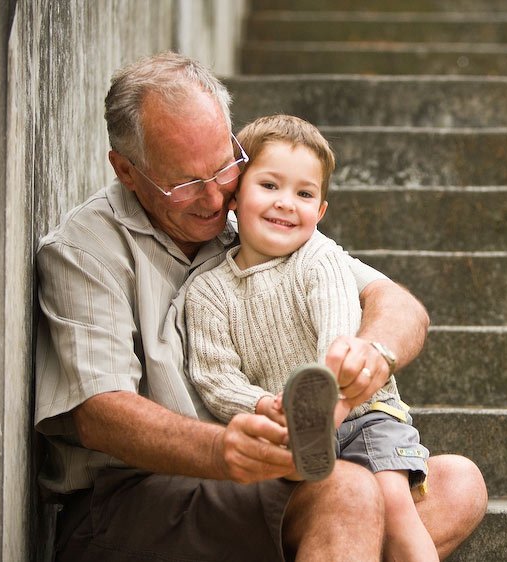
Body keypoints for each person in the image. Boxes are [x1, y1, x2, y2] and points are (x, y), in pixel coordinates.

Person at [33, 51, 487, 561]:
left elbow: (395, 303)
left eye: (225, 165)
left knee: (457, 484)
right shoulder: (83, 251)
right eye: (184, 183)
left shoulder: (249, 213)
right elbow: (100, 414)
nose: (213, 197)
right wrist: (219, 450)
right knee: (349, 491)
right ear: (127, 171)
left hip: (268, 476)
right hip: (135, 501)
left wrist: (372, 352)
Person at [184, 114, 437, 560]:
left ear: (319, 212)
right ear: (234, 197)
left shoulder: (321, 260)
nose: (286, 203)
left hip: (361, 413)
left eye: (304, 194)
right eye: (269, 186)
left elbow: (336, 337)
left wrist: (325, 406)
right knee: (333, 500)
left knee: (394, 505)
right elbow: (215, 377)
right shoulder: (207, 292)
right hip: (288, 428)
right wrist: (264, 406)